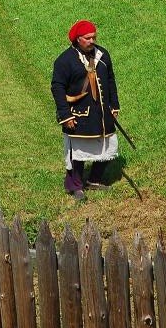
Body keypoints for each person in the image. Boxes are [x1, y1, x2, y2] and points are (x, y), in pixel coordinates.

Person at [51, 20, 120, 202]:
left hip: (102, 114)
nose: (92, 41)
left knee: (108, 147)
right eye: (87, 38)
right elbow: (57, 87)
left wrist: (114, 105)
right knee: (78, 152)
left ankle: (94, 180)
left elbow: (110, 80)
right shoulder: (64, 61)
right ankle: (76, 186)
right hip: (78, 115)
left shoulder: (103, 55)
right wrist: (65, 116)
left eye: (94, 37)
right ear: (77, 39)